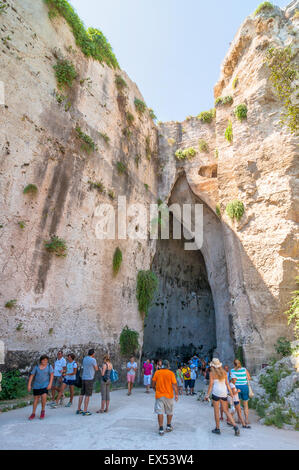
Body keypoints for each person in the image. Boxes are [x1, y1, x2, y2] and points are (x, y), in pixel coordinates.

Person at [205, 358, 240, 436]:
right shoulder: (224, 372)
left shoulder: (212, 373)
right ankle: (235, 426)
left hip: (216, 393)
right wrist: (231, 393)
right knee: (226, 410)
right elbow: (227, 384)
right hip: (224, 393)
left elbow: (211, 385)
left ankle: (217, 429)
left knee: (216, 411)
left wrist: (207, 395)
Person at [152, 359, 178, 435]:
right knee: (169, 411)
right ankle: (168, 426)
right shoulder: (171, 373)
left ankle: (160, 429)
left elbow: (153, 384)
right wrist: (176, 395)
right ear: (168, 366)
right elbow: (174, 385)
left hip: (159, 396)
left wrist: (155, 390)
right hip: (169, 396)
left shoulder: (157, 372)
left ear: (161, 365)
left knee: (160, 412)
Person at [28, 355, 54, 420]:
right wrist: (29, 385)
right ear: (41, 360)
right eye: (44, 360)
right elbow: (32, 375)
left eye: (46, 360)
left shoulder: (49, 366)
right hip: (36, 385)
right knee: (36, 399)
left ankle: (43, 411)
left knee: (44, 397)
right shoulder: (36, 367)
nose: (45, 361)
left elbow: (51, 375)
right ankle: (33, 413)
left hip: (45, 385)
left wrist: (50, 384)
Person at [230, 359, 252, 426]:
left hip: (236, 388)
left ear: (234, 364)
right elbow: (249, 378)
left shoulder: (232, 370)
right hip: (245, 387)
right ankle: (246, 420)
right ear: (240, 363)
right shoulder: (244, 369)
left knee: (237, 405)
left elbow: (231, 380)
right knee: (245, 404)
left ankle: (239, 419)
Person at [77, 349, 98, 416]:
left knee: (82, 393)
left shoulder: (84, 358)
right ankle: (85, 410)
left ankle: (79, 409)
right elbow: (96, 368)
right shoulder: (93, 360)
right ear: (93, 354)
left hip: (83, 377)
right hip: (89, 378)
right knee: (87, 394)